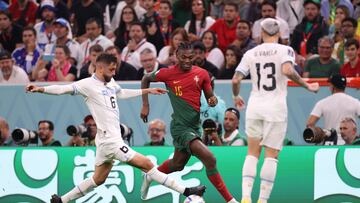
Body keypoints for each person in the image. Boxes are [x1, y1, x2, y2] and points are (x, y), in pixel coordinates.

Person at [26, 53, 205, 203]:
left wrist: (147, 91)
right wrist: (40, 89)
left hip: (108, 141)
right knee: (148, 165)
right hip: (110, 141)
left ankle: (61, 201)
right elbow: (63, 89)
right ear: (100, 67)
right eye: (111, 69)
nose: (114, 72)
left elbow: (121, 93)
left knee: (98, 179)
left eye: (115, 68)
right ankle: (187, 191)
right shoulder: (87, 84)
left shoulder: (110, 83)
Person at [232, 18, 319, 203]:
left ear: (261, 34)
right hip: (275, 109)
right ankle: (262, 200)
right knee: (271, 156)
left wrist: (236, 96)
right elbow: (287, 70)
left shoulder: (251, 52)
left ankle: (246, 196)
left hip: (255, 106)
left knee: (252, 153)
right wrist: (307, 85)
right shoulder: (285, 50)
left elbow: (235, 80)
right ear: (279, 34)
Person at [141, 42, 238, 203]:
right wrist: (145, 104)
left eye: (190, 57)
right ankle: (231, 200)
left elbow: (210, 97)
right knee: (210, 158)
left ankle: (150, 175)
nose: (187, 60)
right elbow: (145, 78)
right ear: (176, 55)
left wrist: (212, 100)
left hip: (194, 126)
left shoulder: (202, 74)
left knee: (177, 164)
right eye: (183, 57)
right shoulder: (167, 73)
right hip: (180, 127)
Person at [306, 74, 360, 145]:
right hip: (349, 142)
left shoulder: (323, 102)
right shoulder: (355, 102)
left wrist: (321, 134)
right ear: (345, 86)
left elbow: (309, 123)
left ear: (332, 87)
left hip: (330, 143)